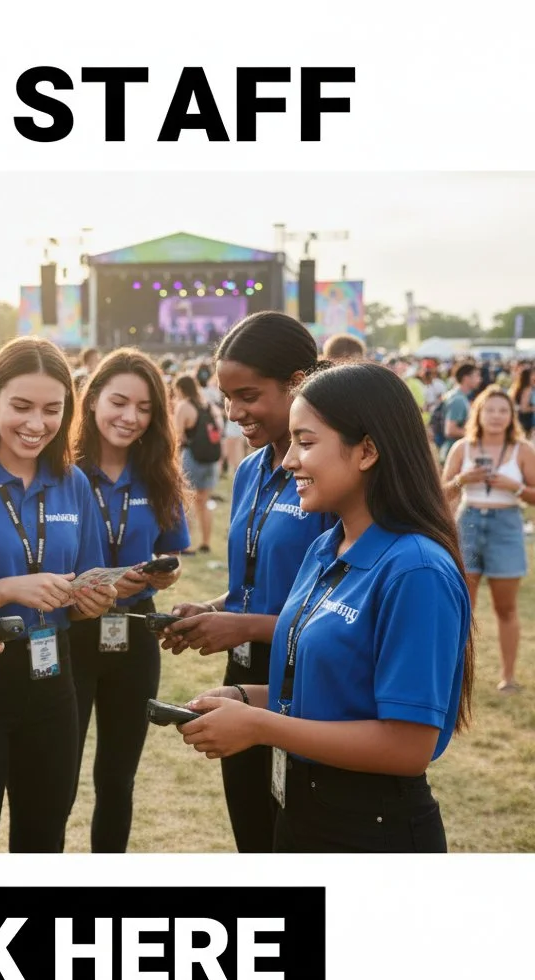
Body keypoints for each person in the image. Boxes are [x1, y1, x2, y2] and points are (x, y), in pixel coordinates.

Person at [176, 361, 474, 853]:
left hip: (369, 830)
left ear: (368, 451)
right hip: (302, 812)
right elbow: (332, 695)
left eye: (306, 442)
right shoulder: (326, 547)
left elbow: (407, 747)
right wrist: (247, 698)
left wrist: (259, 726)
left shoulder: (416, 570)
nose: (289, 459)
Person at [0, 336, 117, 852]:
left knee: (44, 839)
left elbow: (88, 583)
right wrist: (9, 590)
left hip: (54, 683)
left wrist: (92, 602)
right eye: (22, 406)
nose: (36, 424)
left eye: (52, 410)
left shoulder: (72, 482)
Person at [160, 311, 337, 853]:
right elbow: (253, 586)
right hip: (244, 674)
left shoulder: (331, 476)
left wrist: (238, 625)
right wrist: (209, 611)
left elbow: (337, 607)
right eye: (226, 396)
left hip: (308, 675)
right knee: (253, 835)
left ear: (299, 385)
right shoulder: (253, 470)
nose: (233, 412)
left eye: (249, 395)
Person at [68, 348, 189, 852]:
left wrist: (164, 573)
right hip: (69, 632)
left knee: (117, 780)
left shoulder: (158, 473)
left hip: (136, 633)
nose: (130, 417)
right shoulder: (61, 471)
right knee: (55, 777)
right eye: (119, 402)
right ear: (92, 399)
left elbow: (171, 553)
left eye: (144, 408)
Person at [442, 387, 535, 694]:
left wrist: (515, 487)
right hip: (468, 522)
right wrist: (462, 480)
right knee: (462, 605)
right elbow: (441, 495)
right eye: (490, 410)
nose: (496, 416)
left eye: (503, 411)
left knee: (506, 607)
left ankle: (508, 678)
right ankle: (454, 674)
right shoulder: (461, 448)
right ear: (478, 412)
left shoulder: (522, 450)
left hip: (506, 525)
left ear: (512, 416)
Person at [173, 372, 224, 554]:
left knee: (187, 501)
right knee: (204, 501)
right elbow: (219, 430)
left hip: (192, 457)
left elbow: (177, 436)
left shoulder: (184, 406)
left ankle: (186, 545)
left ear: (180, 389)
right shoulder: (208, 406)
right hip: (210, 459)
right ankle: (206, 542)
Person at [437, 362, 482, 462]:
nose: (480, 380)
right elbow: (450, 430)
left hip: (452, 451)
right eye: (477, 376)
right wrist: (477, 434)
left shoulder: (457, 396)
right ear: (466, 378)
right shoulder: (458, 399)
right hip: (452, 453)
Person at [509, 366, 534, 440]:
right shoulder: (527, 389)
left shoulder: (517, 387)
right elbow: (524, 408)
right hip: (526, 419)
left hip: (520, 417)